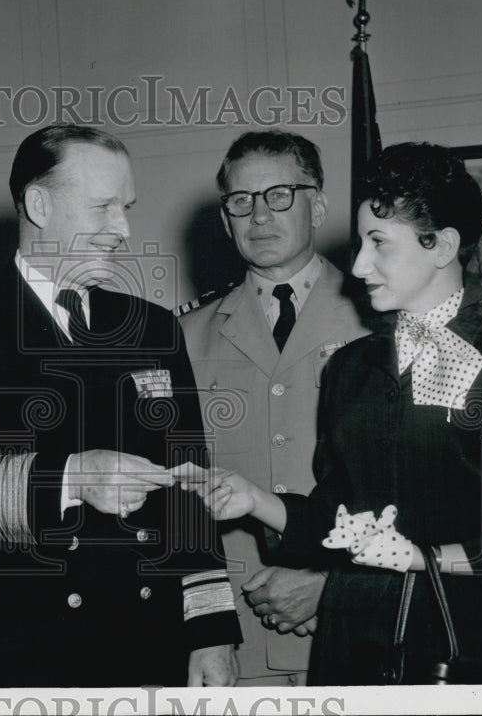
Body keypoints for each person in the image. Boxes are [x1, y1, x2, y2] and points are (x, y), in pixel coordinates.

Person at [177, 143, 482, 684]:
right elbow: (337, 516)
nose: (359, 264)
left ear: (442, 246)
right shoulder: (352, 365)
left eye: (379, 243)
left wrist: (422, 558)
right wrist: (255, 500)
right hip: (350, 648)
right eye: (362, 243)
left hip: (464, 652)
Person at [0, 124, 241, 687]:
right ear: (39, 205)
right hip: (16, 652)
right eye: (103, 207)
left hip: (146, 641)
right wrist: (72, 477)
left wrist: (211, 631)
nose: (123, 229)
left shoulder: (152, 328)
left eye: (126, 208)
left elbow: (190, 485)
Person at [178, 131, 368, 685]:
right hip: (237, 636)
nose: (259, 215)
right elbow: (175, 503)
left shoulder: (379, 322)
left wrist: (333, 584)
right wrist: (205, 629)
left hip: (356, 628)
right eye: (241, 201)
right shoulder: (183, 338)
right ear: (225, 219)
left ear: (319, 207)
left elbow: (416, 494)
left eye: (280, 195)